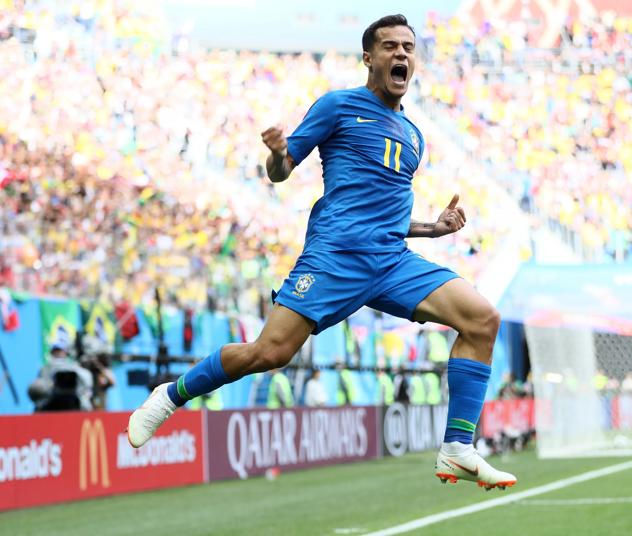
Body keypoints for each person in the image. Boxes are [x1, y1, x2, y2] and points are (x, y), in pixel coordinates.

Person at [128, 14, 515, 490]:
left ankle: (456, 448)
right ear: (368, 58)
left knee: (482, 319)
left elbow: (385, 215)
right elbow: (281, 170)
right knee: (269, 353)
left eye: (408, 47)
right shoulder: (338, 106)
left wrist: (432, 229)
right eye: (390, 46)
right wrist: (276, 153)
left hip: (392, 260)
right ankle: (170, 395)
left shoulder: (414, 136)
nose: (401, 54)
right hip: (336, 258)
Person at [29, 343, 94, 411]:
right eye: (56, 351)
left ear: (66, 353)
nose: (58, 353)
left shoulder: (75, 368)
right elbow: (36, 389)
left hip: (75, 404)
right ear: (52, 353)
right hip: (51, 403)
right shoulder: (45, 370)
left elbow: (87, 386)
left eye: (60, 351)